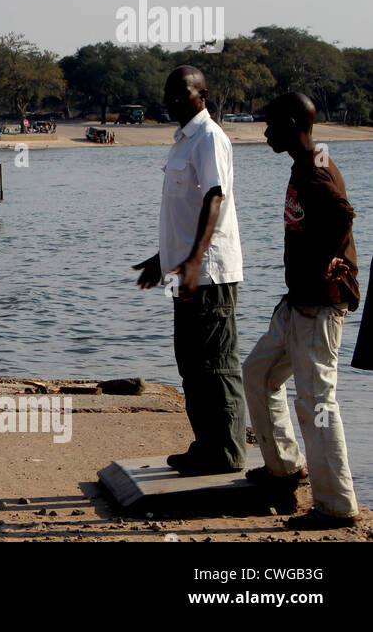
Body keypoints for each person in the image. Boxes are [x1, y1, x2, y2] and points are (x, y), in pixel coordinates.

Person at [242, 93, 363, 529]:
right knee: (258, 373)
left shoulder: (315, 171)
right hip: (298, 303)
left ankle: (336, 507)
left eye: (272, 123)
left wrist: (332, 259)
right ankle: (285, 469)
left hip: (320, 307)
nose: (265, 131)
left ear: (293, 122)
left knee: (317, 403)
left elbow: (342, 213)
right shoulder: (309, 161)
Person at [133, 66, 247, 476]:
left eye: (182, 92)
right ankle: (206, 446)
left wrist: (196, 259)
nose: (173, 100)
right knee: (191, 363)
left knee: (216, 364)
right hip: (186, 272)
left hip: (211, 272)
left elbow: (214, 199)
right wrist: (163, 258)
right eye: (169, 93)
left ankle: (228, 453)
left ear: (203, 94)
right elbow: (184, 213)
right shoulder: (182, 141)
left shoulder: (209, 138)